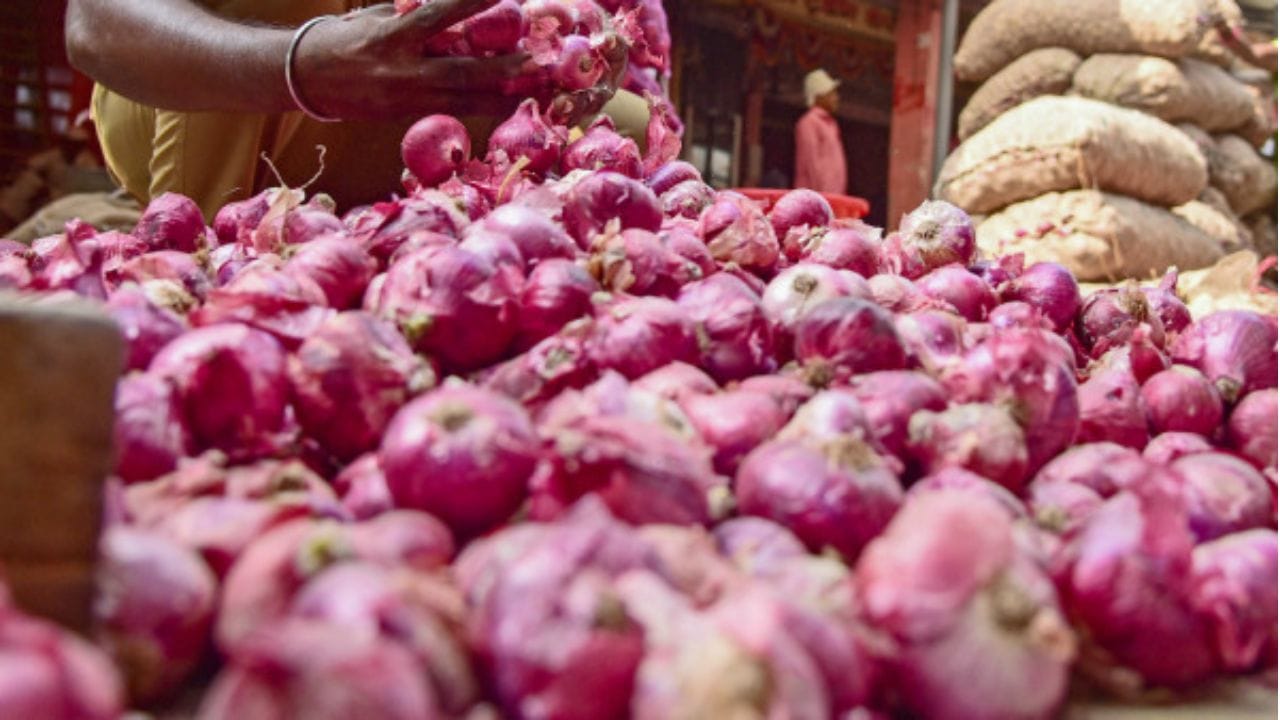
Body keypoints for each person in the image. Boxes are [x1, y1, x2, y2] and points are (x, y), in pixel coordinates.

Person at [64, 0, 632, 219]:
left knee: (631, 124)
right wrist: (300, 65)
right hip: (211, 85)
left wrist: (574, 48)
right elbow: (92, 22)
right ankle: (196, 244)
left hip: (398, 101)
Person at [794, 68, 847, 196]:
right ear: (819, 96)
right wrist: (819, 198)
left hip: (833, 198)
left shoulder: (831, 124)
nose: (836, 98)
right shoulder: (809, 123)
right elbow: (812, 165)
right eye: (832, 94)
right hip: (816, 198)